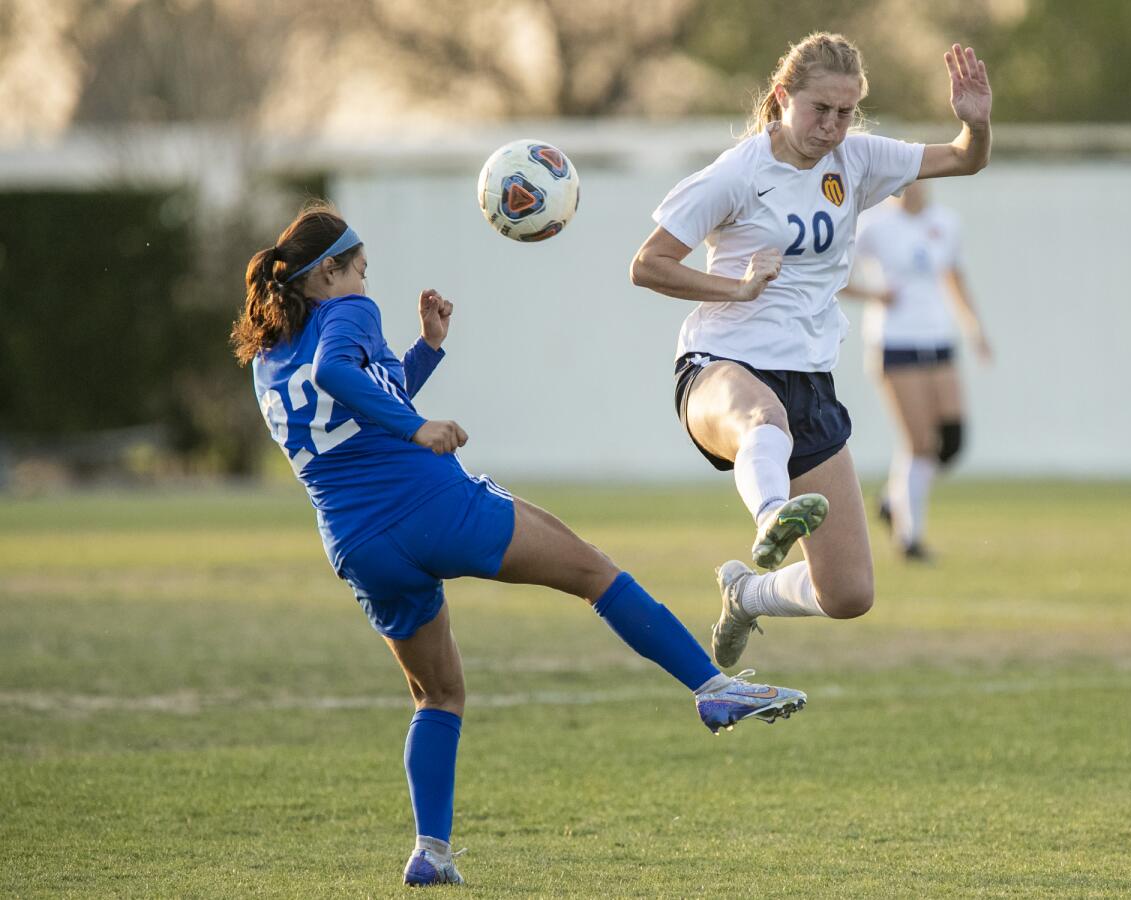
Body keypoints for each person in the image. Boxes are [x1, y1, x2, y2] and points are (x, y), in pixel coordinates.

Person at [230, 204, 805, 888]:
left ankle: (432, 852)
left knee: (438, 697)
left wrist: (428, 349)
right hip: (430, 503)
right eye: (359, 270)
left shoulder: (268, 357)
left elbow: (357, 405)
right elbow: (340, 377)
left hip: (358, 544)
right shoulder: (346, 313)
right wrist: (418, 431)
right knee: (594, 572)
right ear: (327, 273)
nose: (364, 281)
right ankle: (712, 688)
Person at [629, 33, 991, 668]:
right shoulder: (736, 173)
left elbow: (964, 160)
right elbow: (648, 265)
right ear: (781, 98)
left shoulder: (856, 159)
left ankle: (748, 591)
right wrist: (737, 289)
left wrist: (977, 125)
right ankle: (773, 515)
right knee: (760, 418)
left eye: (846, 112)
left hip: (810, 381)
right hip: (720, 364)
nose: (833, 126)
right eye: (819, 110)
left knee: (849, 593)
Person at [850, 181, 992, 560]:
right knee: (921, 444)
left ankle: (893, 499)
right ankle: (909, 538)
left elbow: (954, 277)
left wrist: (974, 328)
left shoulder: (945, 222)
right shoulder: (872, 225)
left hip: (938, 341)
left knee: (952, 441)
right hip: (895, 343)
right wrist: (873, 294)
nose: (913, 190)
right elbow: (833, 275)